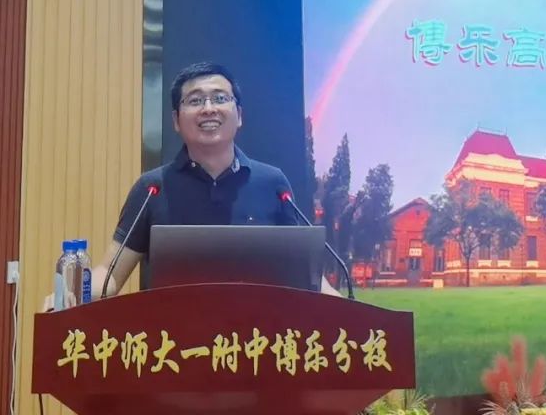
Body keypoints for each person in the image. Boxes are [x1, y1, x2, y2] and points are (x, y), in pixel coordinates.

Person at [43, 62, 339, 311]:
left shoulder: (273, 184)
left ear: (239, 116)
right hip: (173, 349)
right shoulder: (152, 189)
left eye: (220, 98)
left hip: (257, 345)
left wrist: (348, 311)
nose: (208, 109)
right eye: (195, 101)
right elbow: (110, 274)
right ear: (176, 120)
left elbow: (309, 277)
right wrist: (73, 294)